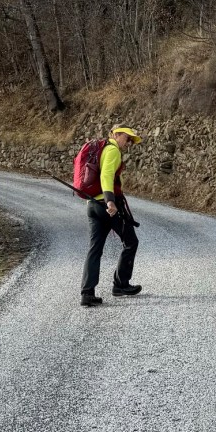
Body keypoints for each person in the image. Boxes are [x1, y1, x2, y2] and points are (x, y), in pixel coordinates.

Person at [81, 125, 143, 307]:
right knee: (131, 241)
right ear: (116, 135)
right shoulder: (113, 150)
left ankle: (87, 294)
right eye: (127, 138)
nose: (129, 142)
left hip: (92, 205)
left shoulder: (102, 149)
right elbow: (106, 175)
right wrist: (110, 201)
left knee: (95, 249)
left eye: (131, 140)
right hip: (107, 206)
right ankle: (121, 285)